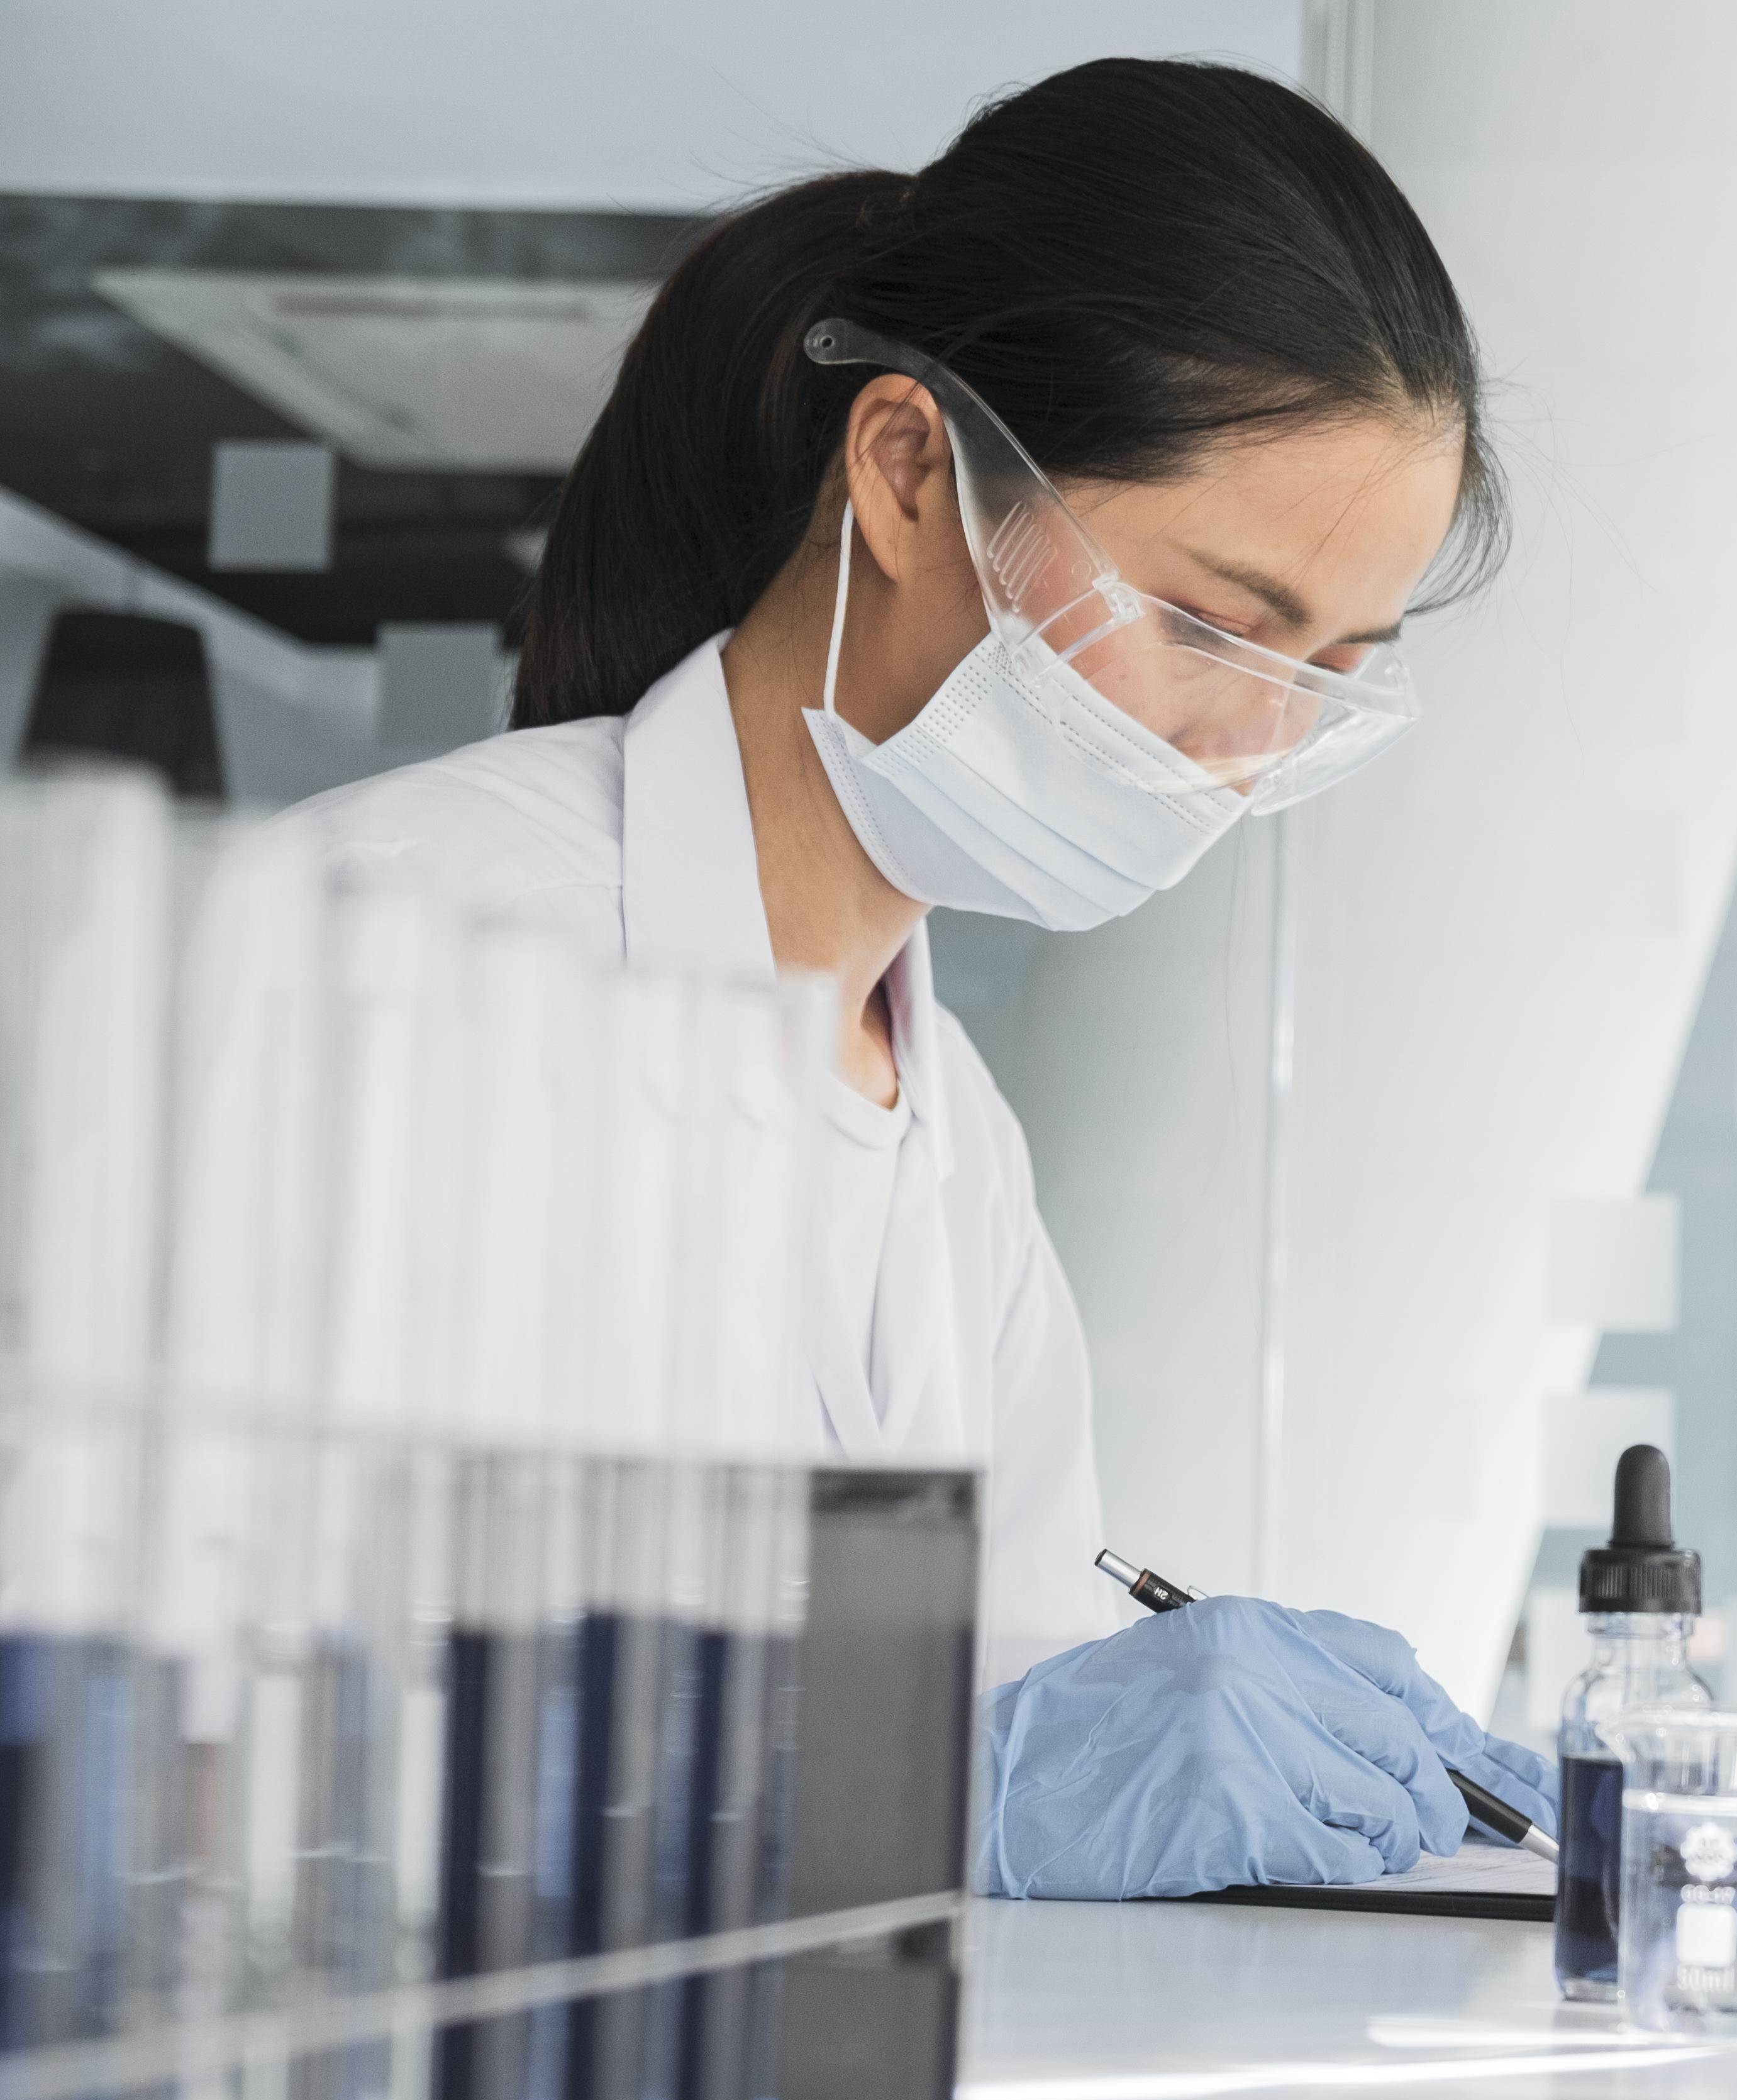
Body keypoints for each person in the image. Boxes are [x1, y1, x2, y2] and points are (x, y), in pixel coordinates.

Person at [284, 58, 1552, 1896]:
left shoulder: (953, 1152)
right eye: (1214, 625)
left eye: (1328, 678)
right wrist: (940, 1788)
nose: (1251, 746)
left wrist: (1135, 1748)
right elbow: (182, 1745)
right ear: (904, 472)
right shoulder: (389, 954)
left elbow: (993, 1758)